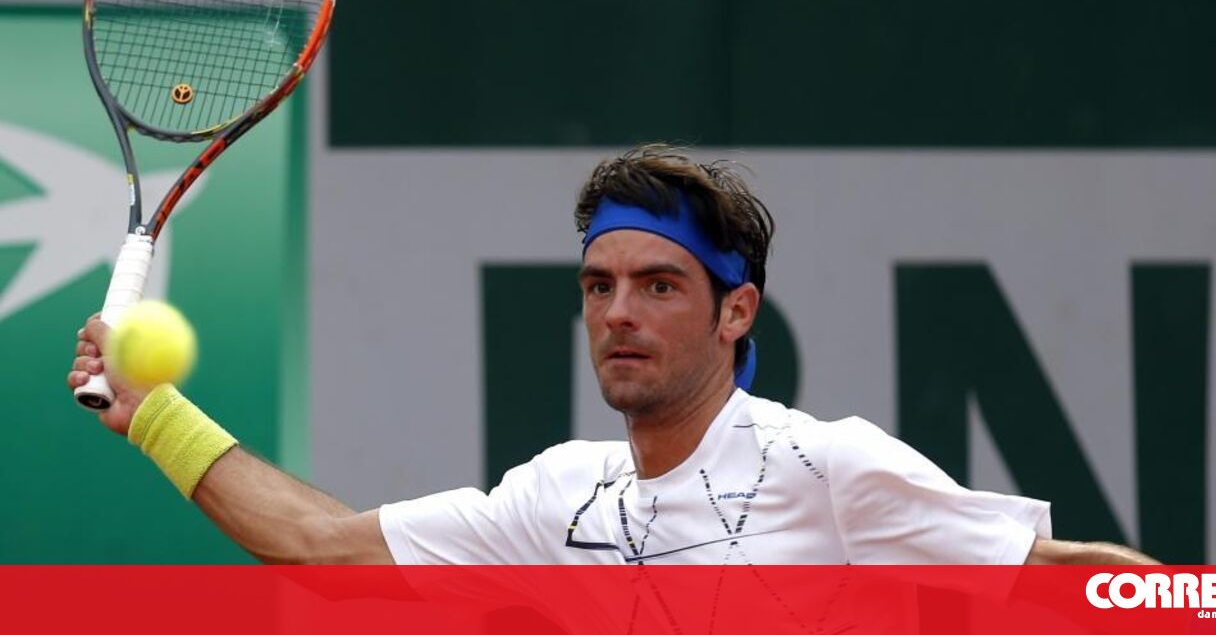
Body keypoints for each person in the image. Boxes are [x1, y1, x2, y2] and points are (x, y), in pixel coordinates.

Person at [67, 143, 1156, 566]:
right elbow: (320, 544)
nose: (618, 313)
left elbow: (1081, 582)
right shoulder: (557, 496)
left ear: (735, 313)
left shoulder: (826, 467)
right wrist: (154, 412)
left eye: (658, 285)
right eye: (599, 286)